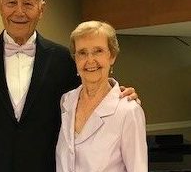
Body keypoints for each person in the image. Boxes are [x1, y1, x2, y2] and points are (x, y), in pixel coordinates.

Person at [0, 0, 139, 172]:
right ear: (0, 5)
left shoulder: (64, 60)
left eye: (28, 4)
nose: (19, 12)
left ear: (41, 9)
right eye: (11, 3)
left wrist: (118, 94)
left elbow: (89, 98)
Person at [56, 21, 147, 172]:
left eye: (98, 51)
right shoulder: (67, 101)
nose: (90, 60)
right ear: (75, 59)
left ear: (112, 56)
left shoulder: (128, 111)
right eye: (82, 53)